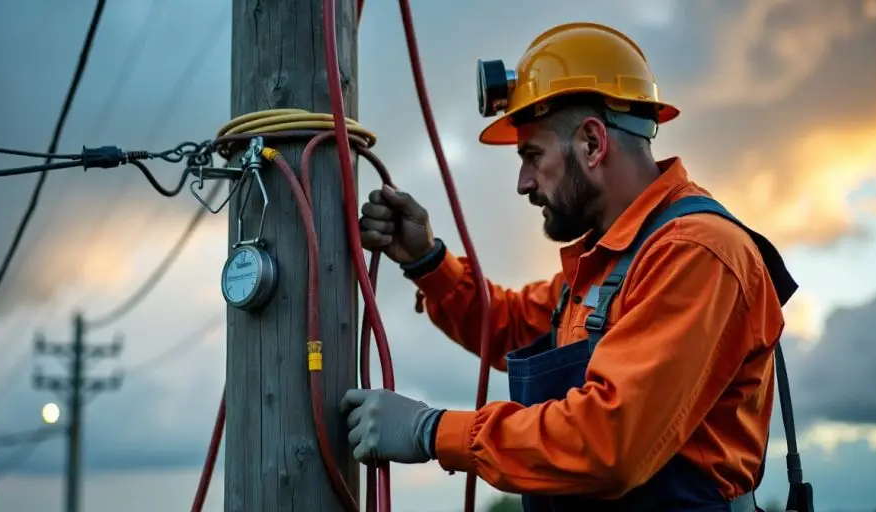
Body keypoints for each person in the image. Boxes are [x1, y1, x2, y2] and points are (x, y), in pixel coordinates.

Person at [339, 21, 798, 511]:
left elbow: (608, 443)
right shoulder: (611, 261)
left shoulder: (696, 254)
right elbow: (511, 325)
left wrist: (430, 430)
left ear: (592, 144)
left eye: (532, 156)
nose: (522, 182)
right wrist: (428, 261)